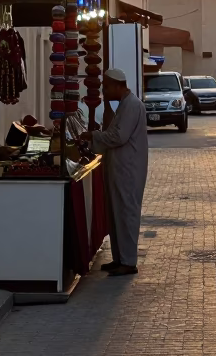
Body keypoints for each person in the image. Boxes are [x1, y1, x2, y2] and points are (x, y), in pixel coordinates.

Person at [80, 68, 148, 276]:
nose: (104, 92)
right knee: (116, 213)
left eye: (107, 88)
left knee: (126, 213)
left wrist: (94, 136)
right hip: (118, 168)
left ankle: (128, 261)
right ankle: (120, 258)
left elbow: (118, 137)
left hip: (128, 170)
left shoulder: (132, 105)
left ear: (119, 86)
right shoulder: (123, 106)